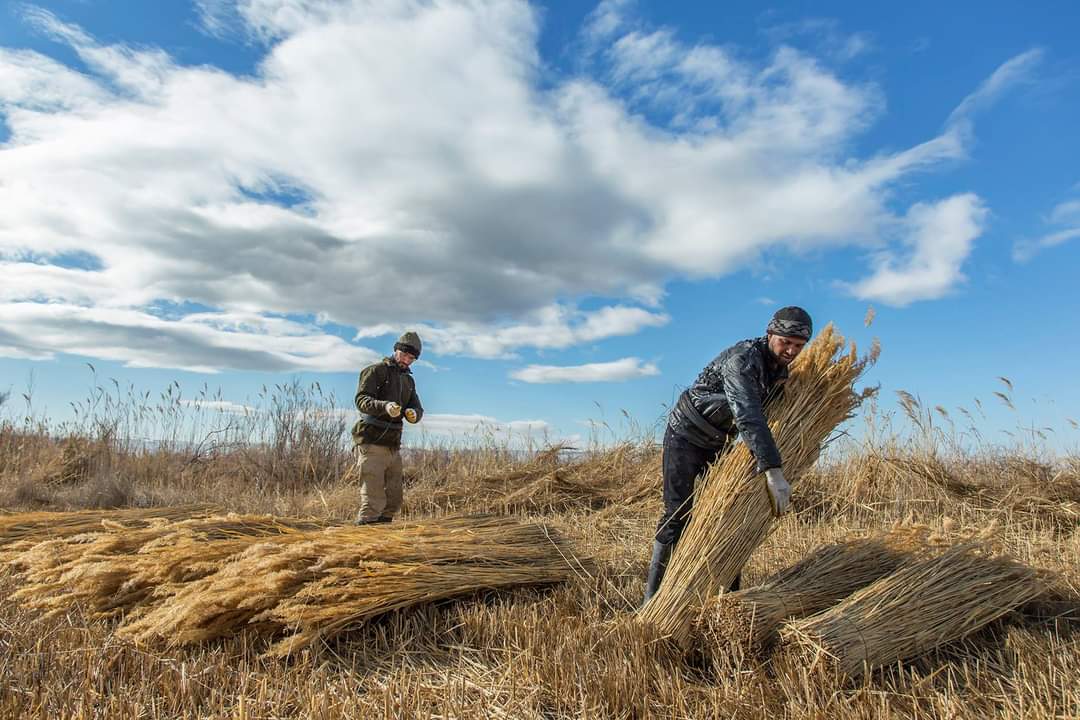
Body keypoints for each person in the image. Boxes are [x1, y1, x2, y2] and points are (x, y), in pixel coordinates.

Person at [643, 306, 812, 603]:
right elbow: (748, 414)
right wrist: (773, 470)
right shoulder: (742, 360)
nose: (790, 351)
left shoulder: (778, 369)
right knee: (678, 513)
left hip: (719, 440)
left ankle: (727, 598)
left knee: (722, 514)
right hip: (685, 434)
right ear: (770, 333)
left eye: (798, 346)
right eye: (785, 342)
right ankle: (652, 600)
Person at [352, 331, 425, 525]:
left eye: (412, 358)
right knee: (373, 499)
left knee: (394, 499)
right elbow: (361, 400)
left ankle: (383, 540)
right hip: (372, 442)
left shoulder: (408, 381)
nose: (407, 360)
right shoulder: (376, 371)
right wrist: (384, 406)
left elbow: (417, 407)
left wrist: (414, 414)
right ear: (395, 350)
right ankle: (363, 542)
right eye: (404, 355)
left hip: (393, 445)